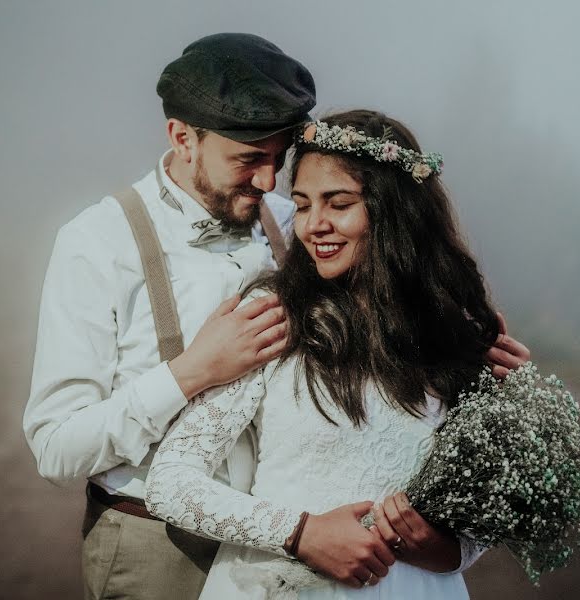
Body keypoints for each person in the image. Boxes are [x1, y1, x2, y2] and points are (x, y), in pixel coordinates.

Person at [25, 33, 529, 600]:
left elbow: (384, 272)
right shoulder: (96, 243)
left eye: (277, 159)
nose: (268, 182)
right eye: (248, 160)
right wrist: (192, 372)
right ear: (182, 138)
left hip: (319, 553)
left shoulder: (299, 220)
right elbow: (56, 448)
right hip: (154, 541)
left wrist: (464, 346)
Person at [145, 109, 526, 599]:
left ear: (392, 211)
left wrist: (440, 547)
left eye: (338, 203)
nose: (313, 226)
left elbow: (473, 528)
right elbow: (171, 483)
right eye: (301, 205)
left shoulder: (457, 333)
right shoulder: (275, 316)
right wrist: (301, 533)